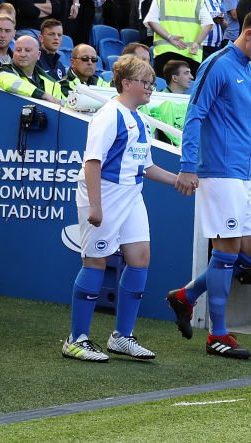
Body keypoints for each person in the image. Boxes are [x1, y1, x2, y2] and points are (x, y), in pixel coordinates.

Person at [165, 10, 251, 360]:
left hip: (242, 175)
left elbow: (246, 128)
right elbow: (195, 114)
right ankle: (217, 334)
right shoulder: (217, 64)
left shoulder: (248, 69)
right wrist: (188, 165)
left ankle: (185, 296)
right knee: (228, 253)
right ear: (247, 33)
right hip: (217, 172)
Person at [63, 55, 179, 362]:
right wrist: (96, 206)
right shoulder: (108, 116)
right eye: (145, 82)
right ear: (126, 84)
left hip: (132, 195)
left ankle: (122, 336)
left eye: (152, 83)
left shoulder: (140, 119)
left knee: (139, 259)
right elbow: (92, 162)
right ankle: (76, 339)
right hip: (105, 194)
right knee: (96, 262)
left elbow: (147, 166)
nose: (151, 88)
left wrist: (177, 180)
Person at [144, 0, 213, 78]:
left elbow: (151, 20)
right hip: (191, 55)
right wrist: (196, 43)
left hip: (165, 53)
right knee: (187, 92)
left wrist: (169, 37)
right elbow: (208, 24)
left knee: (163, 89)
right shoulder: (197, 1)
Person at [0, 35, 64, 104]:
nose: (23, 54)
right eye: (18, 50)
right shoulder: (3, 71)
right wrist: (43, 95)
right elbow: (10, 83)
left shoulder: (53, 84)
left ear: (38, 55)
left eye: (27, 50)